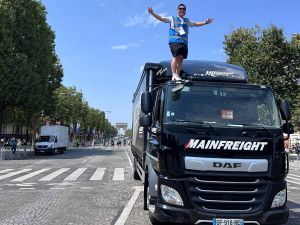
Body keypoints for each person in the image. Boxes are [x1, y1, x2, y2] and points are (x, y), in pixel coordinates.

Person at [148, 4, 213, 81]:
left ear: (185, 11)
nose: (182, 10)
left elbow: (196, 24)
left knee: (181, 58)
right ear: (177, 10)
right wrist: (152, 13)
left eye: (183, 9)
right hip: (175, 41)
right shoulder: (172, 18)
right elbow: (161, 18)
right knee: (176, 56)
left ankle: (177, 75)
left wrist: (205, 22)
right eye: (180, 9)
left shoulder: (187, 21)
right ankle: (174, 74)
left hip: (184, 43)